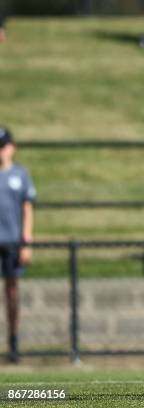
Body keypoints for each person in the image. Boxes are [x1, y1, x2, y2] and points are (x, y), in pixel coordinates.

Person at [0, 127, 36, 364]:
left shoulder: (20, 174)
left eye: (3, 146)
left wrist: (26, 242)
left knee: (12, 293)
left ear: (12, 147)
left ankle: (13, 341)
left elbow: (27, 209)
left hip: (12, 242)